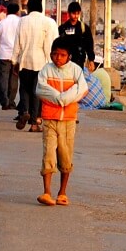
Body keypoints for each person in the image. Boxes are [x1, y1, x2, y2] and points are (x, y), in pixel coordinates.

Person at [35, 43, 88, 206]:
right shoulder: (46, 70)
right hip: (50, 118)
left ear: (69, 56)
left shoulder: (75, 70)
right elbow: (41, 90)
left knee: (66, 156)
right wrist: (61, 98)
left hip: (68, 120)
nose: (58, 58)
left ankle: (62, 192)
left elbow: (82, 89)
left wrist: (63, 98)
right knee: (48, 154)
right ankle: (47, 192)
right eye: (55, 54)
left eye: (62, 55)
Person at [11, 0, 58, 132]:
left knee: (24, 89)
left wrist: (14, 61)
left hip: (24, 61)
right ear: (41, 8)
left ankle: (25, 111)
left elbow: (17, 43)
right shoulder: (48, 22)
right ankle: (34, 123)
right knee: (37, 92)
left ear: (29, 8)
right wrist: (52, 63)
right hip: (41, 63)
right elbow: (49, 45)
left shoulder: (22, 21)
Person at [0, 3, 21, 110]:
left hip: (4, 55)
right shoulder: (21, 22)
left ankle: (4, 102)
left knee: (4, 78)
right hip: (17, 56)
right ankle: (11, 101)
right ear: (17, 11)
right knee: (14, 79)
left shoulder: (1, 23)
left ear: (7, 11)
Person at [55, 1, 95, 69]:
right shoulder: (63, 28)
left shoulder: (84, 28)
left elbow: (89, 45)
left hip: (79, 61)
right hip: (65, 61)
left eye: (78, 13)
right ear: (69, 13)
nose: (76, 16)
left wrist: (91, 60)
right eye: (73, 13)